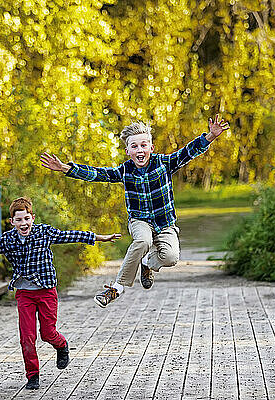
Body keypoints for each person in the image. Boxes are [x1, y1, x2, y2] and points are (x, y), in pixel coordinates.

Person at [40, 114, 230, 307]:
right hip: (139, 221)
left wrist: (211, 136)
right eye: (134, 146)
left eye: (143, 145)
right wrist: (67, 168)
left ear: (151, 148)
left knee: (171, 258)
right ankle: (116, 288)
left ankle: (147, 262)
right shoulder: (124, 171)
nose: (140, 150)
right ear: (127, 151)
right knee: (142, 241)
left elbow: (187, 152)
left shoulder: (164, 164)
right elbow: (97, 174)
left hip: (165, 223)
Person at [0, 197, 120, 390]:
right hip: (24, 293)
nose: (24, 224)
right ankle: (33, 376)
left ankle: (62, 345)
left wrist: (99, 237)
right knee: (27, 337)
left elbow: (70, 236)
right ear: (12, 221)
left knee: (47, 333)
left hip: (47, 291)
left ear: (32, 218)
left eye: (26, 219)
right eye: (19, 220)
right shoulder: (8, 239)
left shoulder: (44, 232)